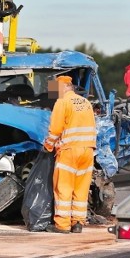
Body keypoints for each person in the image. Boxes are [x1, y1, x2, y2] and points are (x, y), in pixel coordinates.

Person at [43, 75, 97, 234]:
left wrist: (48, 146)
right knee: (81, 188)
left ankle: (62, 225)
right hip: (88, 150)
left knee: (64, 187)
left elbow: (56, 129)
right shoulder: (85, 102)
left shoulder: (62, 102)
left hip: (69, 151)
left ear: (65, 87)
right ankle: (78, 223)